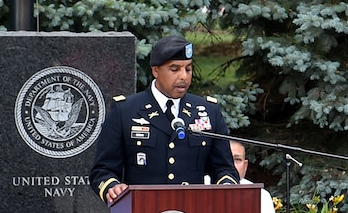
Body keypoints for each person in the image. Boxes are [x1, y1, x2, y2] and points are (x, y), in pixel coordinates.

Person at [90, 34, 239, 203]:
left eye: (188, 69)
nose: (183, 76)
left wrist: (227, 185)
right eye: (175, 69)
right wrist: (112, 187)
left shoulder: (207, 111)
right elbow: (102, 171)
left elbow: (224, 168)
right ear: (156, 70)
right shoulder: (125, 111)